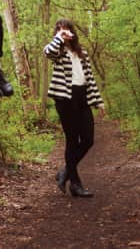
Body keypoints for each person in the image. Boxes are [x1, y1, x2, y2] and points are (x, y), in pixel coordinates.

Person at [43, 19, 105, 197]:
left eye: (68, 29)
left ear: (73, 31)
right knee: (72, 139)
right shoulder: (57, 51)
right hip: (65, 99)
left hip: (82, 96)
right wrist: (59, 37)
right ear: (58, 33)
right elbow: (48, 52)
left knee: (88, 139)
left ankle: (65, 172)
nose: (66, 33)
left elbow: (90, 78)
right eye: (61, 30)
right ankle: (76, 185)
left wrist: (98, 101)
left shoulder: (81, 52)